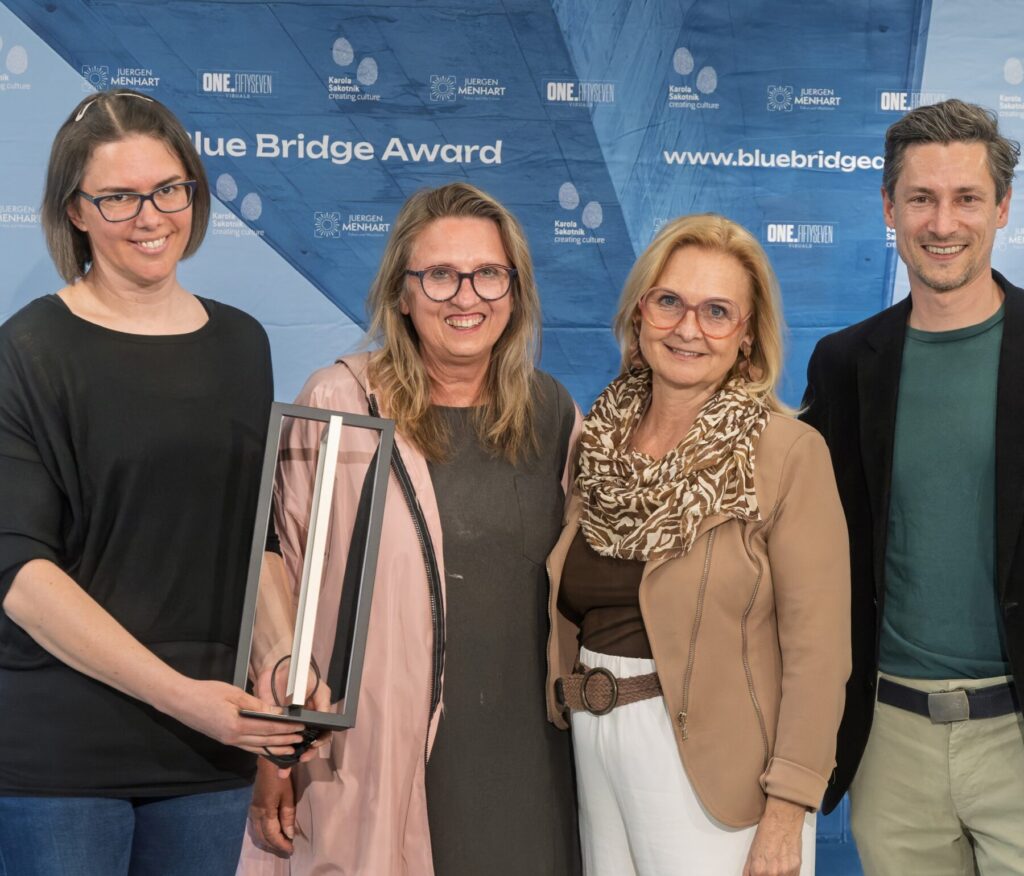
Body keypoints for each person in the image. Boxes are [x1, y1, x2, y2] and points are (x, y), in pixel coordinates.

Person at [0, 89, 310, 876]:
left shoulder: (242, 343)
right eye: (119, 196)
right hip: (66, 757)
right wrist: (183, 695)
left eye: (169, 189)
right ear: (76, 211)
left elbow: (258, 544)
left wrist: (278, 665)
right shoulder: (28, 349)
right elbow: (22, 577)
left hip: (210, 747)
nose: (151, 216)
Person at [238, 182, 582, 875]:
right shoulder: (338, 404)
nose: (467, 296)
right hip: (379, 752)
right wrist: (276, 741)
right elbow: (281, 574)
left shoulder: (549, 411)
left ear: (514, 291)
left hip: (526, 750)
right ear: (402, 292)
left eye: (489, 274)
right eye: (440, 275)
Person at [546, 213, 850, 876]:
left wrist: (788, 809)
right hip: (594, 747)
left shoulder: (787, 452)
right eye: (670, 302)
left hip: (718, 774)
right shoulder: (597, 442)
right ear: (638, 314)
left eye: (717, 311)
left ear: (747, 338)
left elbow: (819, 653)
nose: (689, 328)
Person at [802, 99, 1024, 875]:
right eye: (921, 198)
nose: (942, 222)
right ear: (888, 207)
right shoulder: (841, 363)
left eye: (966, 198)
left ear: (1001, 208)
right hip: (889, 742)